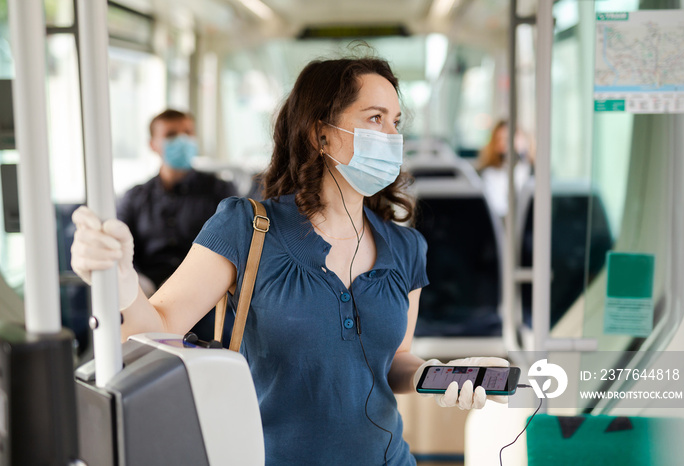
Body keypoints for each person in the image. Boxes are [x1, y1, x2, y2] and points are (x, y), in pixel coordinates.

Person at [71, 56, 507, 465]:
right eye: (375, 119)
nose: (392, 136)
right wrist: (121, 280)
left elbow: (395, 359)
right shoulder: (245, 228)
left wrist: (442, 375)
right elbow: (154, 331)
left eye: (396, 122)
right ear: (321, 134)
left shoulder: (407, 248)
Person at [116, 109, 238, 339]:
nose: (182, 140)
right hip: (147, 291)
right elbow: (119, 250)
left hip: (204, 294)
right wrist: (136, 282)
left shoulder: (220, 192)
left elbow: (234, 246)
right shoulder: (135, 197)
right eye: (172, 135)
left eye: (188, 132)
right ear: (153, 144)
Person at [477, 119, 534, 218]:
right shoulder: (488, 174)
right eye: (500, 140)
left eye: (509, 139)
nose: (505, 145)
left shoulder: (534, 172)